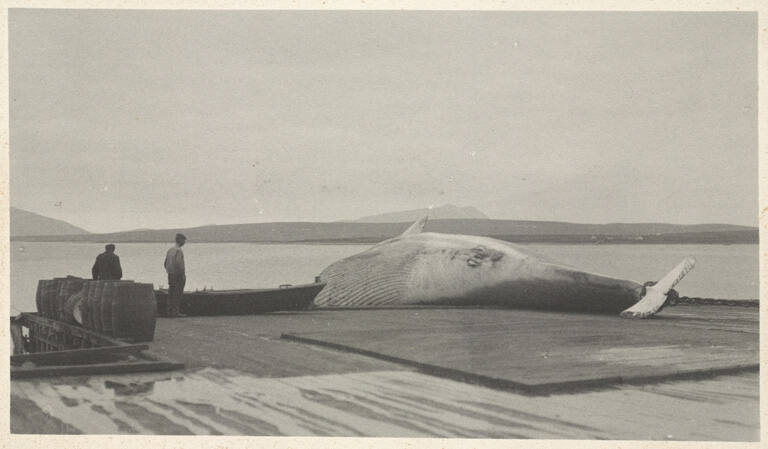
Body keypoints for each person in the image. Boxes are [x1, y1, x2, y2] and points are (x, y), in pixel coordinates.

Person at [164, 233, 187, 317]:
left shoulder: (170, 250)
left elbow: (165, 263)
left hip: (170, 274)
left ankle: (169, 311)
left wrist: (169, 271)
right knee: (177, 294)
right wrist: (182, 274)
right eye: (184, 240)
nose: (184, 242)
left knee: (171, 293)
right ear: (180, 240)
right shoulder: (179, 251)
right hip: (178, 275)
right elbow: (179, 264)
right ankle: (175, 312)